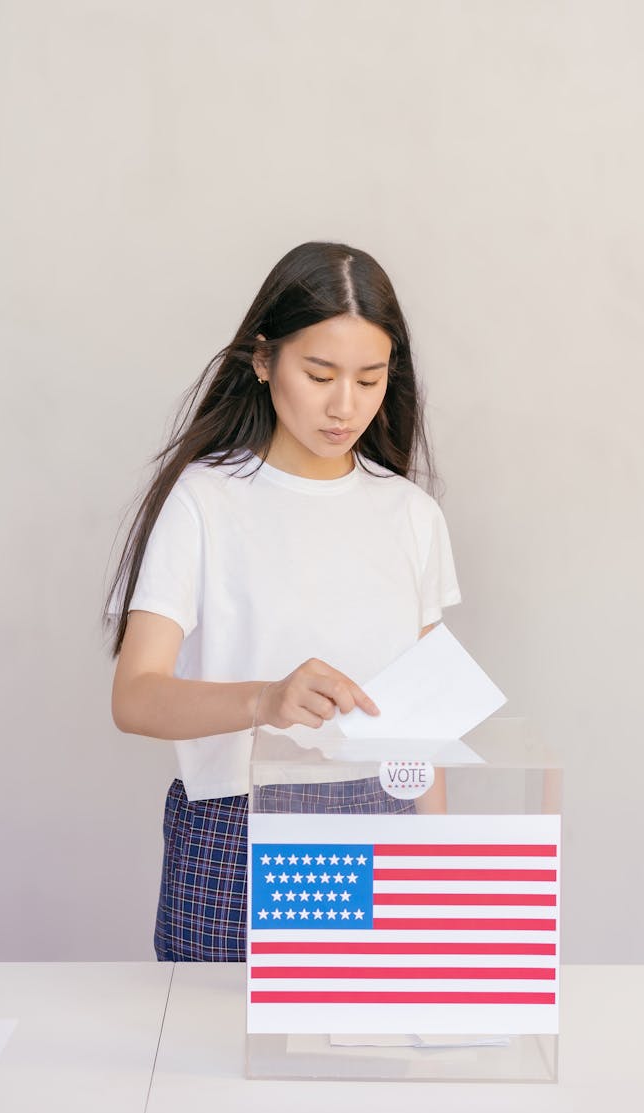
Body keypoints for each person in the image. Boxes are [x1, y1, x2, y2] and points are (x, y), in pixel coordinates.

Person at [104, 241, 461, 962]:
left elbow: (423, 725)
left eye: (370, 379)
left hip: (379, 819)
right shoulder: (205, 500)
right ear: (263, 359)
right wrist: (263, 700)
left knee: (364, 1062)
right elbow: (134, 696)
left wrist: (440, 867)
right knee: (209, 1065)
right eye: (320, 373)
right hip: (237, 828)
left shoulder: (411, 514)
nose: (345, 405)